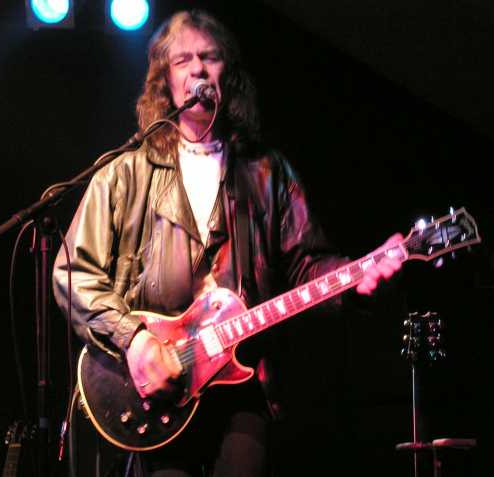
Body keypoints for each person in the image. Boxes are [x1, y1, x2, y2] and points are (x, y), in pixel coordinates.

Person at [53, 9, 403, 477]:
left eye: (210, 57)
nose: (198, 68)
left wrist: (357, 279)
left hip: (242, 383)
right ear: (165, 82)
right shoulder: (124, 174)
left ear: (228, 76)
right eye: (183, 60)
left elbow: (307, 264)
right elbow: (73, 274)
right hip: (157, 387)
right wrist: (133, 340)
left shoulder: (266, 172)